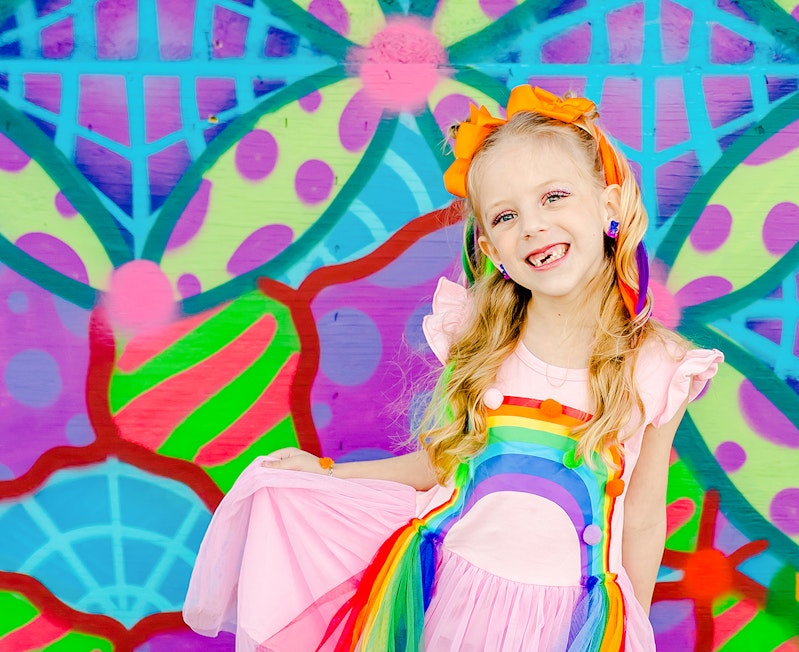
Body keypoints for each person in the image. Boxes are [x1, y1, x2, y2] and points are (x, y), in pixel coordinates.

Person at [183, 84, 723, 651]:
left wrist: (627, 625)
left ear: (609, 207)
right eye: (507, 215)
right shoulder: (483, 340)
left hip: (568, 626)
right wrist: (326, 475)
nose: (533, 226)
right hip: (455, 606)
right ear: (492, 250)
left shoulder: (657, 367)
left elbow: (641, 518)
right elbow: (443, 466)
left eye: (555, 196)